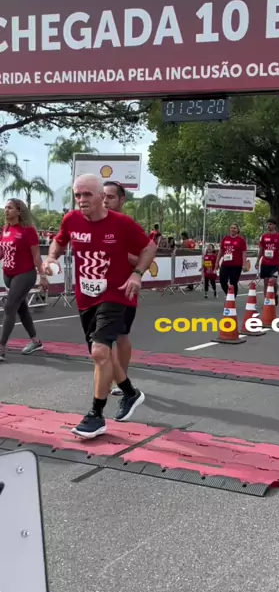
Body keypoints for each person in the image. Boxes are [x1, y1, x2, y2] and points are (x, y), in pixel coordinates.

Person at [43, 174, 156, 438]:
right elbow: (59, 240)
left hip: (115, 295)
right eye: (77, 195)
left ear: (101, 197)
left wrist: (137, 274)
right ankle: (130, 392)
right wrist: (51, 258)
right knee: (101, 355)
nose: (81, 200)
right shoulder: (71, 220)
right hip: (86, 298)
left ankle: (95, 415)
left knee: (99, 351)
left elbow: (149, 248)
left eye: (87, 194)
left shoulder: (121, 223)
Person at [103, 180, 157, 397]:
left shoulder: (127, 226)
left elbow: (145, 258)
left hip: (123, 291)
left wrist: (126, 259)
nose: (105, 201)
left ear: (122, 200)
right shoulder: (94, 225)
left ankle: (121, 379)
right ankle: (108, 378)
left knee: (120, 336)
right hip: (99, 292)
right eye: (103, 196)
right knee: (101, 341)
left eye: (110, 197)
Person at [0, 198, 48, 361]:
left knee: (9, 307)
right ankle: (36, 341)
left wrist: (43, 276)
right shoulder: (5, 229)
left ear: (19, 211)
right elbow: (3, 252)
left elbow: (36, 256)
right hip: (8, 275)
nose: (6, 210)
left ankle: (1, 348)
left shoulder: (28, 231)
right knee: (22, 309)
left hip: (25, 274)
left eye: (10, 208)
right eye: (5, 207)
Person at [256, 218, 279, 305]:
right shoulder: (264, 236)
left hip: (274, 264)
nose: (269, 226)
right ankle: (266, 301)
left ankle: (275, 295)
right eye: (268, 224)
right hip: (265, 263)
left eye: (271, 224)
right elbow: (261, 250)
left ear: (275, 225)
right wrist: (257, 261)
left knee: (274, 281)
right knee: (266, 282)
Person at [215, 224, 247, 298]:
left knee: (233, 282)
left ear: (238, 230)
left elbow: (244, 253)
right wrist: (217, 262)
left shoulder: (241, 240)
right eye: (231, 228)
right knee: (222, 281)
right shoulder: (225, 239)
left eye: (234, 228)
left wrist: (244, 264)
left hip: (236, 265)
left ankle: (232, 299)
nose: (232, 229)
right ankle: (229, 296)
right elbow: (221, 251)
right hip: (225, 264)